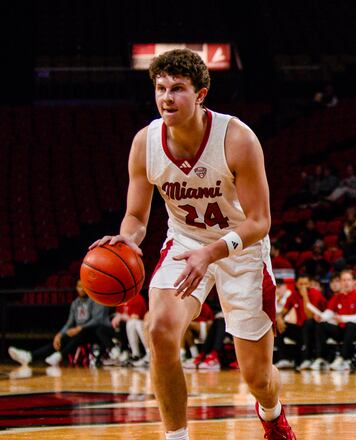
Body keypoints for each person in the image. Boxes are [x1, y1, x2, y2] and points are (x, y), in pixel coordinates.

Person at [88, 49, 295, 439]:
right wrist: (127, 240)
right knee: (160, 329)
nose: (166, 98)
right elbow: (136, 216)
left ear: (200, 94)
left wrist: (212, 253)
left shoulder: (237, 138)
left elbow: (259, 221)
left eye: (178, 89)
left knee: (257, 377)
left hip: (241, 249)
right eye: (161, 88)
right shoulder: (144, 143)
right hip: (185, 242)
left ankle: (272, 414)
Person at [9, 280, 114, 367]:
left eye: (84, 286)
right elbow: (69, 323)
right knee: (61, 340)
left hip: (96, 333)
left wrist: (79, 328)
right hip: (79, 334)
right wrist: (59, 334)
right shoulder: (75, 303)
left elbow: (97, 320)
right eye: (79, 286)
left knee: (82, 332)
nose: (81, 289)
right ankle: (29, 356)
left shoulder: (95, 299)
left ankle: (60, 355)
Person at [311, 270, 356, 372]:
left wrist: (343, 318)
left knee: (350, 325)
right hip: (343, 329)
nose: (346, 283)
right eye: (343, 280)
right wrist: (321, 317)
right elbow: (329, 313)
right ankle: (322, 358)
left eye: (349, 280)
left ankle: (342, 358)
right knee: (321, 325)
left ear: (353, 282)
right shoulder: (337, 297)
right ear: (341, 283)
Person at [275, 276, 327, 370]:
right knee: (278, 325)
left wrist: (305, 296)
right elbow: (283, 312)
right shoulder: (293, 295)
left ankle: (307, 359)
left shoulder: (315, 293)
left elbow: (309, 316)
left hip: (315, 330)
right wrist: (279, 319)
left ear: (309, 284)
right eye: (301, 284)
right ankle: (284, 359)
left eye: (305, 284)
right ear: (296, 284)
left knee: (308, 323)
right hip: (300, 329)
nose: (303, 286)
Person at [111, 292, 149, 365]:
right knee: (124, 324)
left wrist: (121, 316)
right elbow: (118, 313)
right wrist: (117, 317)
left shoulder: (138, 298)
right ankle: (134, 354)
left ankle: (148, 353)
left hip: (141, 323)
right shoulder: (122, 299)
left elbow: (135, 317)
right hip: (127, 325)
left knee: (132, 323)